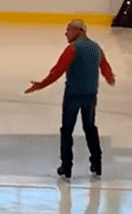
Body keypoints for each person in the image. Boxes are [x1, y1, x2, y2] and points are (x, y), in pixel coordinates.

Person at [25, 20, 116, 180]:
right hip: (90, 95)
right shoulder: (96, 48)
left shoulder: (72, 49)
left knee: (67, 130)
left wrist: (40, 85)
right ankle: (97, 164)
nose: (66, 33)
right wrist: (110, 79)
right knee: (90, 127)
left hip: (73, 95)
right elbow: (106, 68)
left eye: (69, 30)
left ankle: (66, 167)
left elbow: (57, 71)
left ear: (78, 31)